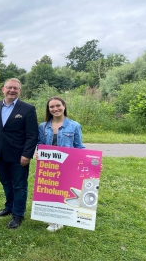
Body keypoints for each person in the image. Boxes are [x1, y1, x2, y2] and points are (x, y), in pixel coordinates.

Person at [0, 78, 38, 229]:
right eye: (9, 88)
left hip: (19, 156)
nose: (12, 90)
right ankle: (9, 207)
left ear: (19, 91)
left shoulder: (28, 109)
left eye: (15, 88)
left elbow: (32, 134)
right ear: (3, 89)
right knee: (6, 182)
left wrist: (27, 154)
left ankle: (18, 214)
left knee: (19, 185)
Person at [38, 96, 85, 231]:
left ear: (64, 106)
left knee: (63, 191)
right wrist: (38, 152)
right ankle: (51, 216)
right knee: (50, 191)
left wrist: (92, 162)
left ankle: (58, 221)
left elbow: (79, 146)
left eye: (58, 105)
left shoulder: (74, 125)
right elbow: (40, 144)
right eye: (51, 107)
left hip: (66, 164)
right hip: (49, 164)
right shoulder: (43, 126)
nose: (55, 109)